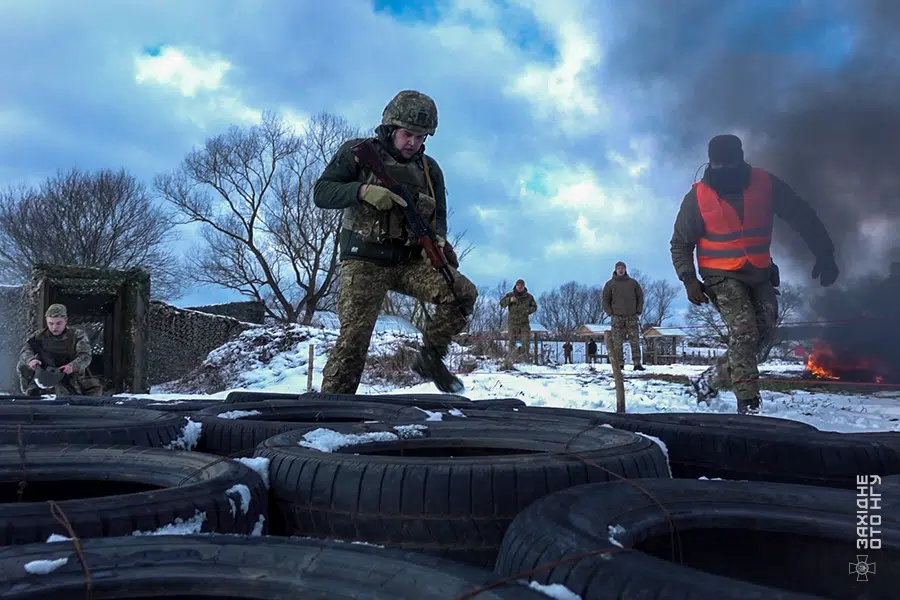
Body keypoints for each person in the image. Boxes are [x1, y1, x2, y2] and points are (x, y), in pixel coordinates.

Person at [313, 90, 478, 394]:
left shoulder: (430, 170)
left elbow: (439, 217)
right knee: (353, 340)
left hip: (408, 261)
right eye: (407, 134)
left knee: (461, 293)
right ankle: (331, 409)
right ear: (390, 127)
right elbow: (321, 192)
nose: (413, 142)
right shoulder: (358, 152)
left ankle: (430, 357)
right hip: (364, 259)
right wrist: (362, 191)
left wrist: (437, 242)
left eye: (421, 136)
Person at [670, 133, 838, 414]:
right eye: (718, 165)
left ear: (741, 158)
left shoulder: (765, 184)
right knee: (745, 332)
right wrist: (689, 279)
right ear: (710, 162)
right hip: (719, 275)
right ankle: (749, 405)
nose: (724, 170)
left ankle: (710, 380)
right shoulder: (697, 197)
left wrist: (824, 252)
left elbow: (801, 214)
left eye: (730, 163)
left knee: (762, 336)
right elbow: (680, 243)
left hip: (759, 272)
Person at [18, 303, 101, 396]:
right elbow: (25, 350)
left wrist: (72, 366)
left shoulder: (77, 335)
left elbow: (85, 356)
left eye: (58, 323)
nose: (54, 327)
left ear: (66, 320)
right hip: (43, 376)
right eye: (51, 323)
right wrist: (32, 360)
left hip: (70, 378)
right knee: (22, 365)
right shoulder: (38, 336)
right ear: (46, 321)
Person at [602, 261, 645, 371]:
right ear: (615, 270)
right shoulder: (610, 284)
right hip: (617, 317)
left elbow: (640, 297)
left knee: (635, 341)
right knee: (617, 342)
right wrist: (610, 312)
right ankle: (619, 364)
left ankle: (637, 363)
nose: (621, 270)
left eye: (623, 268)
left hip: (631, 316)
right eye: (619, 268)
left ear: (625, 269)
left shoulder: (633, 283)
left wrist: (638, 310)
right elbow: (605, 300)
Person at [499, 279, 538, 362]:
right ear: (516, 286)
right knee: (511, 342)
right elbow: (501, 304)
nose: (520, 288)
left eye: (521, 286)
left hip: (524, 323)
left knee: (525, 341)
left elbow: (534, 307)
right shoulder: (510, 295)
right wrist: (509, 300)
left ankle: (525, 360)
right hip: (513, 323)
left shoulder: (529, 297)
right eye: (518, 286)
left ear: (524, 287)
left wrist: (528, 311)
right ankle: (511, 359)